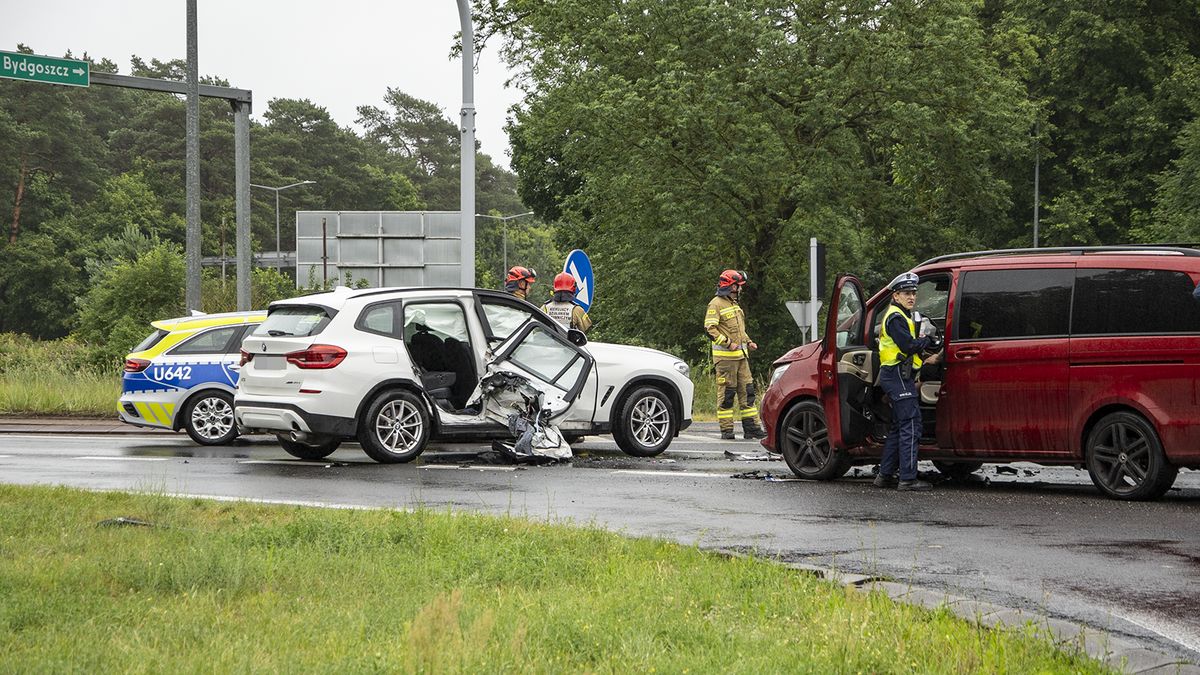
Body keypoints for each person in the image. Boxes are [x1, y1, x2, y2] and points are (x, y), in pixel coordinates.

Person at [874, 272, 942, 491]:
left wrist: (925, 357)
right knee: (911, 425)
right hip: (897, 376)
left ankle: (884, 476)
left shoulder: (902, 315)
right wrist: (927, 340)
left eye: (913, 293)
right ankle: (908, 479)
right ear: (896, 296)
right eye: (906, 293)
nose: (911, 297)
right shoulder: (895, 317)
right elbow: (907, 346)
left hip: (899, 375)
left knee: (899, 426)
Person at [704, 269, 767, 441]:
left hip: (741, 358)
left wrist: (749, 341)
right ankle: (727, 430)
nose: (740, 289)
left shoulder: (734, 305)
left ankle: (752, 428)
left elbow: (739, 331)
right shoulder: (716, 304)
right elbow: (710, 329)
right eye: (738, 286)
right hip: (726, 360)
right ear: (730, 286)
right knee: (727, 395)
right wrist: (728, 343)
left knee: (748, 392)